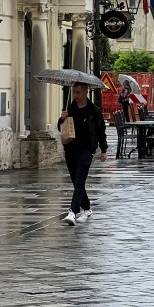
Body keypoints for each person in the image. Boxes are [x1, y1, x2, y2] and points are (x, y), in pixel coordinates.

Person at [58, 82, 109, 226]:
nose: (76, 95)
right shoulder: (70, 108)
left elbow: (101, 131)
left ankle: (73, 211)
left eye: (78, 92)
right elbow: (61, 128)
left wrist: (103, 150)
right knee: (76, 181)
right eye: (74, 92)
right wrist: (62, 119)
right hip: (71, 149)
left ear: (86, 91)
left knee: (80, 179)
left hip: (87, 149)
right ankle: (86, 208)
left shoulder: (94, 110)